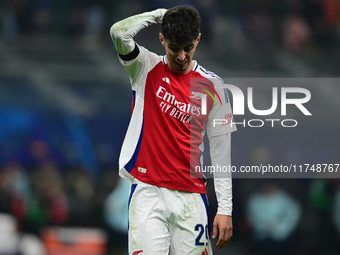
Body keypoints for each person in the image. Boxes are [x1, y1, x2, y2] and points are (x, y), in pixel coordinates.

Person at [110, 5, 236, 254]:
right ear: (162, 39)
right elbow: (118, 33)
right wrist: (158, 15)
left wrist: (225, 209)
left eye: (188, 48)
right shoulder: (144, 67)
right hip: (147, 192)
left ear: (198, 39)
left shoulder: (214, 86)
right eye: (173, 48)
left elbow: (221, 152)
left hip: (191, 198)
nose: (181, 56)